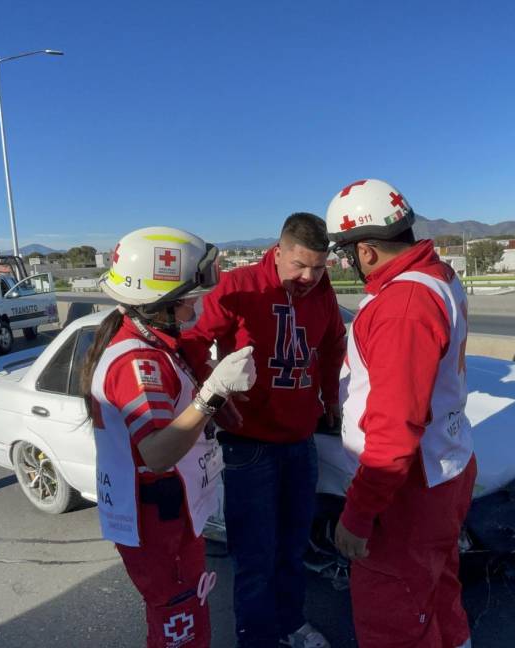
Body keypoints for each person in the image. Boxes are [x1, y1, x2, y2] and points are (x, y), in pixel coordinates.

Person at [80, 226, 257, 648]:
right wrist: (214, 393)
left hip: (168, 514)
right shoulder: (138, 362)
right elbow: (158, 453)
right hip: (159, 519)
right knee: (181, 624)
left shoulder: (152, 346)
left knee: (179, 616)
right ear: (158, 304)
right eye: (187, 301)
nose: (195, 308)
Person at [181, 213, 344, 648]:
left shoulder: (322, 291)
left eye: (319, 266)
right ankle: (256, 639)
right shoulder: (239, 286)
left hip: (300, 441)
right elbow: (195, 342)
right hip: (249, 445)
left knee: (293, 549)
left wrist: (332, 398)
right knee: (255, 557)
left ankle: (290, 623)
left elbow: (331, 346)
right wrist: (215, 395)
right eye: (300, 266)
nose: (309, 276)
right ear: (278, 251)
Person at [324, 180, 476, 648]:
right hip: (443, 466)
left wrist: (359, 513)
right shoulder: (437, 275)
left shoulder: (402, 305)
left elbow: (393, 430)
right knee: (436, 589)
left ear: (366, 251)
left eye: (346, 253)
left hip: (407, 490)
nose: (346, 263)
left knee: (392, 615)